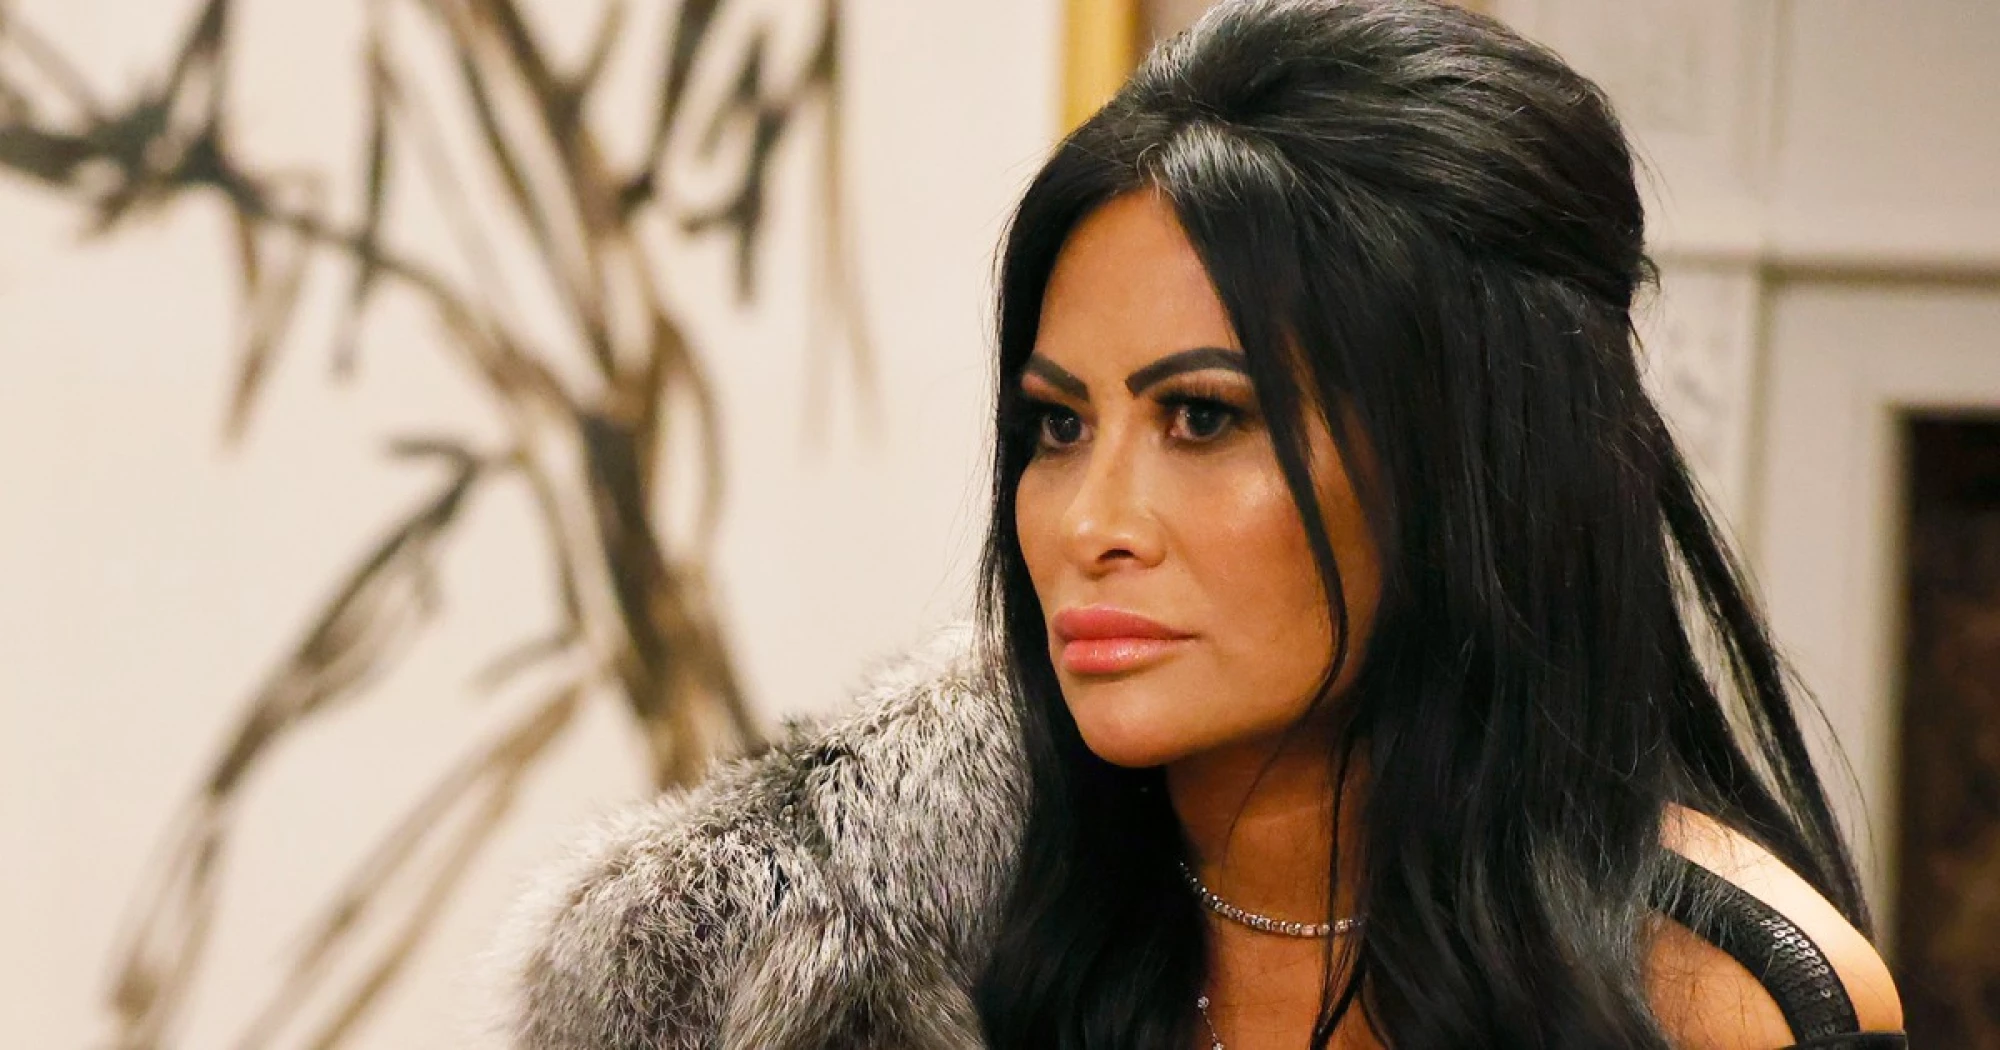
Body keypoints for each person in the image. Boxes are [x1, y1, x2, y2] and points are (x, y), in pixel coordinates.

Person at [501, 1, 1907, 1047]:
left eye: (1203, 417)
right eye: (1058, 427)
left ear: (1470, 463)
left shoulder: (1723, 990)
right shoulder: (865, 959)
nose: (1089, 522)